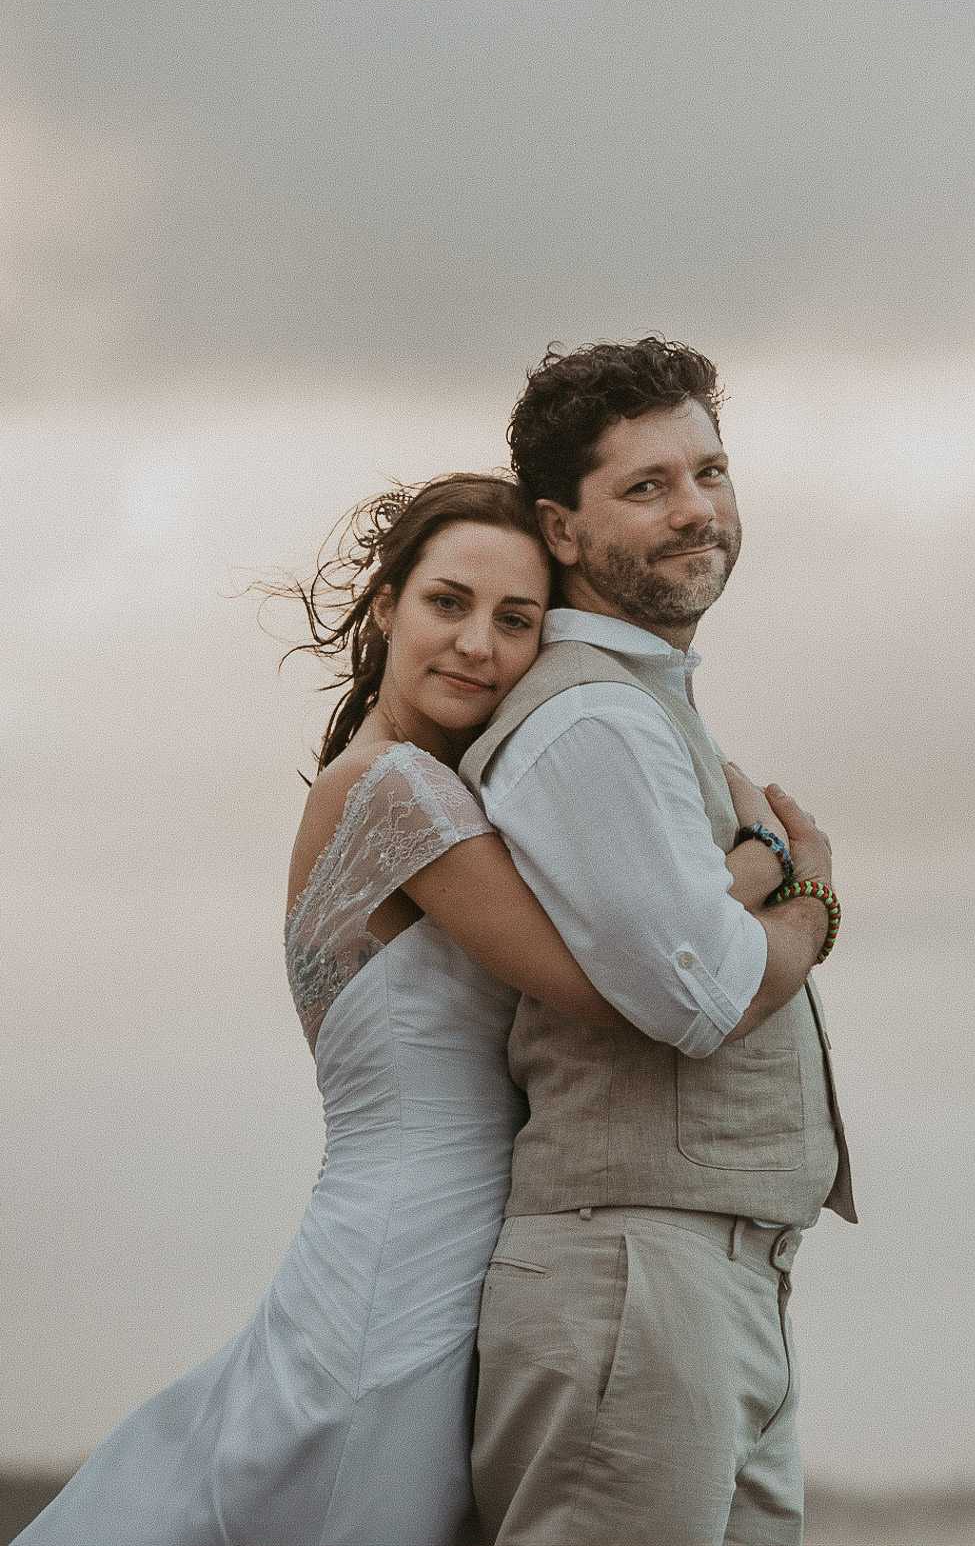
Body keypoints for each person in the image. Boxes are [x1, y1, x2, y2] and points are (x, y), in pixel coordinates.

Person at [17, 472, 803, 1546]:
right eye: (448, 603)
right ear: (386, 606)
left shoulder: (437, 788)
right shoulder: (398, 793)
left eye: (514, 620)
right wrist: (782, 871)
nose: (478, 644)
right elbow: (618, 986)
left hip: (440, 1238)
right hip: (407, 1253)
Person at [462, 338, 857, 1546]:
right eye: (646, 487)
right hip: (632, 1281)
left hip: (707, 1282)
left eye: (709, 473)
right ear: (562, 531)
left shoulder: (644, 706)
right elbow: (701, 993)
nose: (697, 510)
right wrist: (811, 899)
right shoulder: (588, 716)